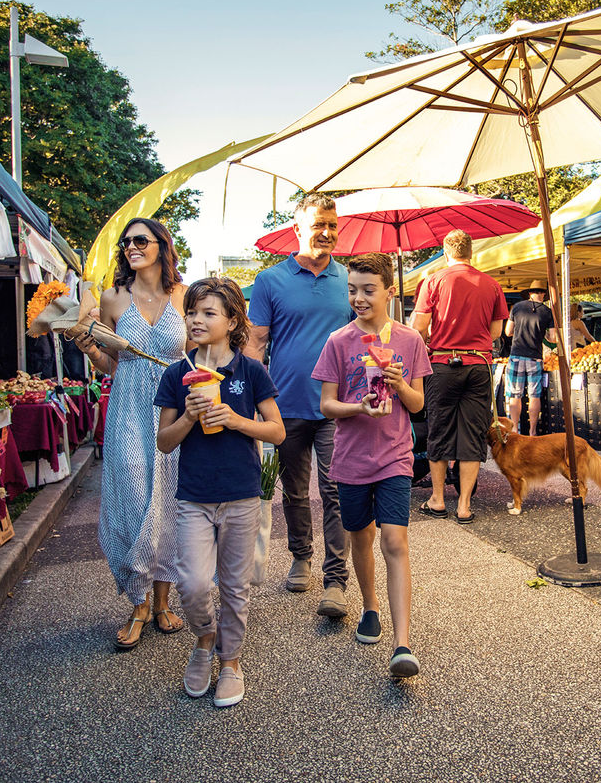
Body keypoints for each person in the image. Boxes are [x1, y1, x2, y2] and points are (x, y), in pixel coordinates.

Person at [155, 277, 284, 707]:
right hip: (193, 496)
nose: (195, 320)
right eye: (191, 312)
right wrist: (190, 417)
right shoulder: (177, 373)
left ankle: (230, 661)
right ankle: (205, 638)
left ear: (232, 321)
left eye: (208, 313)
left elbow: (277, 431)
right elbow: (164, 441)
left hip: (242, 494)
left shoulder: (250, 372)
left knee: (234, 585)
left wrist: (235, 420)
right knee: (191, 585)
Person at [312, 254, 431, 679]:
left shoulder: (409, 340)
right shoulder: (338, 341)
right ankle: (369, 606)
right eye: (352, 290)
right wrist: (357, 406)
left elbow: (419, 405)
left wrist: (399, 385)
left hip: (395, 456)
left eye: (368, 290)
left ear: (388, 292)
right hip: (351, 460)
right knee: (360, 538)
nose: (358, 298)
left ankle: (403, 644)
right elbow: (326, 405)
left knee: (395, 542)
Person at [73, 217, 188, 650]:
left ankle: (162, 600)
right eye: (127, 243)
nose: (131, 248)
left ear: (162, 245)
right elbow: (113, 364)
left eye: (141, 240)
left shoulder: (183, 294)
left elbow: (198, 353)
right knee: (137, 495)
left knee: (170, 500)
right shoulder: (112, 298)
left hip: (172, 408)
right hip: (128, 409)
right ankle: (138, 601)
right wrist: (89, 349)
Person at [246, 194, 353, 618]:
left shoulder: (349, 278)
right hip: (284, 403)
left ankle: (335, 578)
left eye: (332, 224)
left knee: (335, 491)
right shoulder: (270, 281)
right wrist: (250, 398)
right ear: (297, 229)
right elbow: (256, 342)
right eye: (318, 225)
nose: (326, 232)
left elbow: (364, 337)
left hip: (335, 405)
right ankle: (300, 555)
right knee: (292, 489)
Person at [411, 229, 508, 523]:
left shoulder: (434, 281)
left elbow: (418, 327)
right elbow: (496, 333)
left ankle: (438, 500)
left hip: (442, 363)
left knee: (439, 430)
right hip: (479, 365)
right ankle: (464, 505)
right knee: (472, 433)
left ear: (445, 251)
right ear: (471, 251)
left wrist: (431, 339)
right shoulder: (491, 285)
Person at [504, 280, 557, 436]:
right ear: (543, 294)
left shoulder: (517, 308)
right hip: (535, 358)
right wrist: (542, 334)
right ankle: (532, 432)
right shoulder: (547, 312)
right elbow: (553, 338)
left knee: (515, 395)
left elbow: (508, 331)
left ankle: (514, 429)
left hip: (516, 356)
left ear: (529, 293)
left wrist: (519, 331)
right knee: (534, 396)